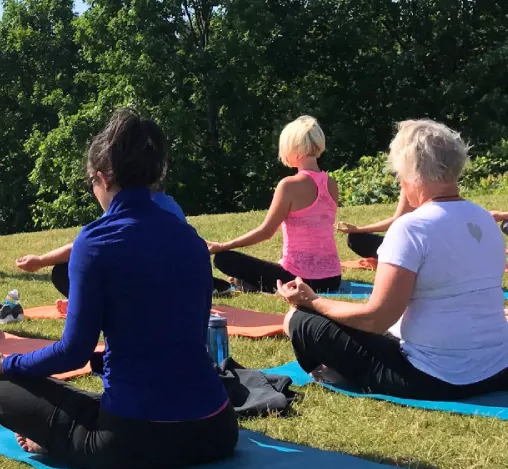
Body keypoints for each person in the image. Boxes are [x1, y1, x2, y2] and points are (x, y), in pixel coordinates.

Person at [0, 109, 237, 469]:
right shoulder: (190, 238)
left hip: (134, 438)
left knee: (4, 391)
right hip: (217, 430)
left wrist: (6, 363)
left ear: (100, 178)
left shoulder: (94, 242)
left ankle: (52, 440)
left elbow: (72, 353)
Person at [278, 119, 508, 400]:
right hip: (497, 369)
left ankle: (333, 368)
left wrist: (312, 302)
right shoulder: (483, 218)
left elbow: (377, 318)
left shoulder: (412, 227)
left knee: (297, 320)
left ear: (411, 173)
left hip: (433, 377)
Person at [14, 190, 229, 317]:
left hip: (148, 296)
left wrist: (41, 261)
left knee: (64, 271)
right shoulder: (167, 202)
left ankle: (92, 305)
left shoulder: (132, 208)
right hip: (178, 287)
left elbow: (83, 247)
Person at [208, 116, 342, 293]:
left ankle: (250, 283)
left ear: (292, 148)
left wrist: (223, 246)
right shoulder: (331, 184)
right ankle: (251, 283)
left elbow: (266, 232)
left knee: (223, 259)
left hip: (299, 280)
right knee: (267, 269)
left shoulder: (289, 185)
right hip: (333, 279)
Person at [335, 190, 412, 260]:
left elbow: (396, 221)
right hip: (408, 245)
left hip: (410, 248)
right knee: (355, 238)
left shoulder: (409, 186)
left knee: (354, 239)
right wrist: (357, 230)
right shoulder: (409, 184)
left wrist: (358, 229)